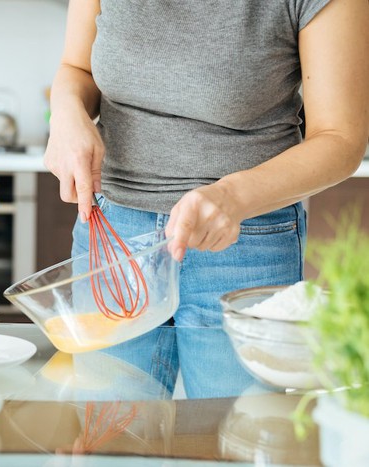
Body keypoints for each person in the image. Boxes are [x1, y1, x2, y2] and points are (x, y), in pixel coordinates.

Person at [44, 0, 369, 398]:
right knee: (110, 441)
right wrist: (65, 111)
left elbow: (342, 138)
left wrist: (232, 197)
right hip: (113, 235)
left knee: (235, 441)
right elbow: (77, 70)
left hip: (245, 238)